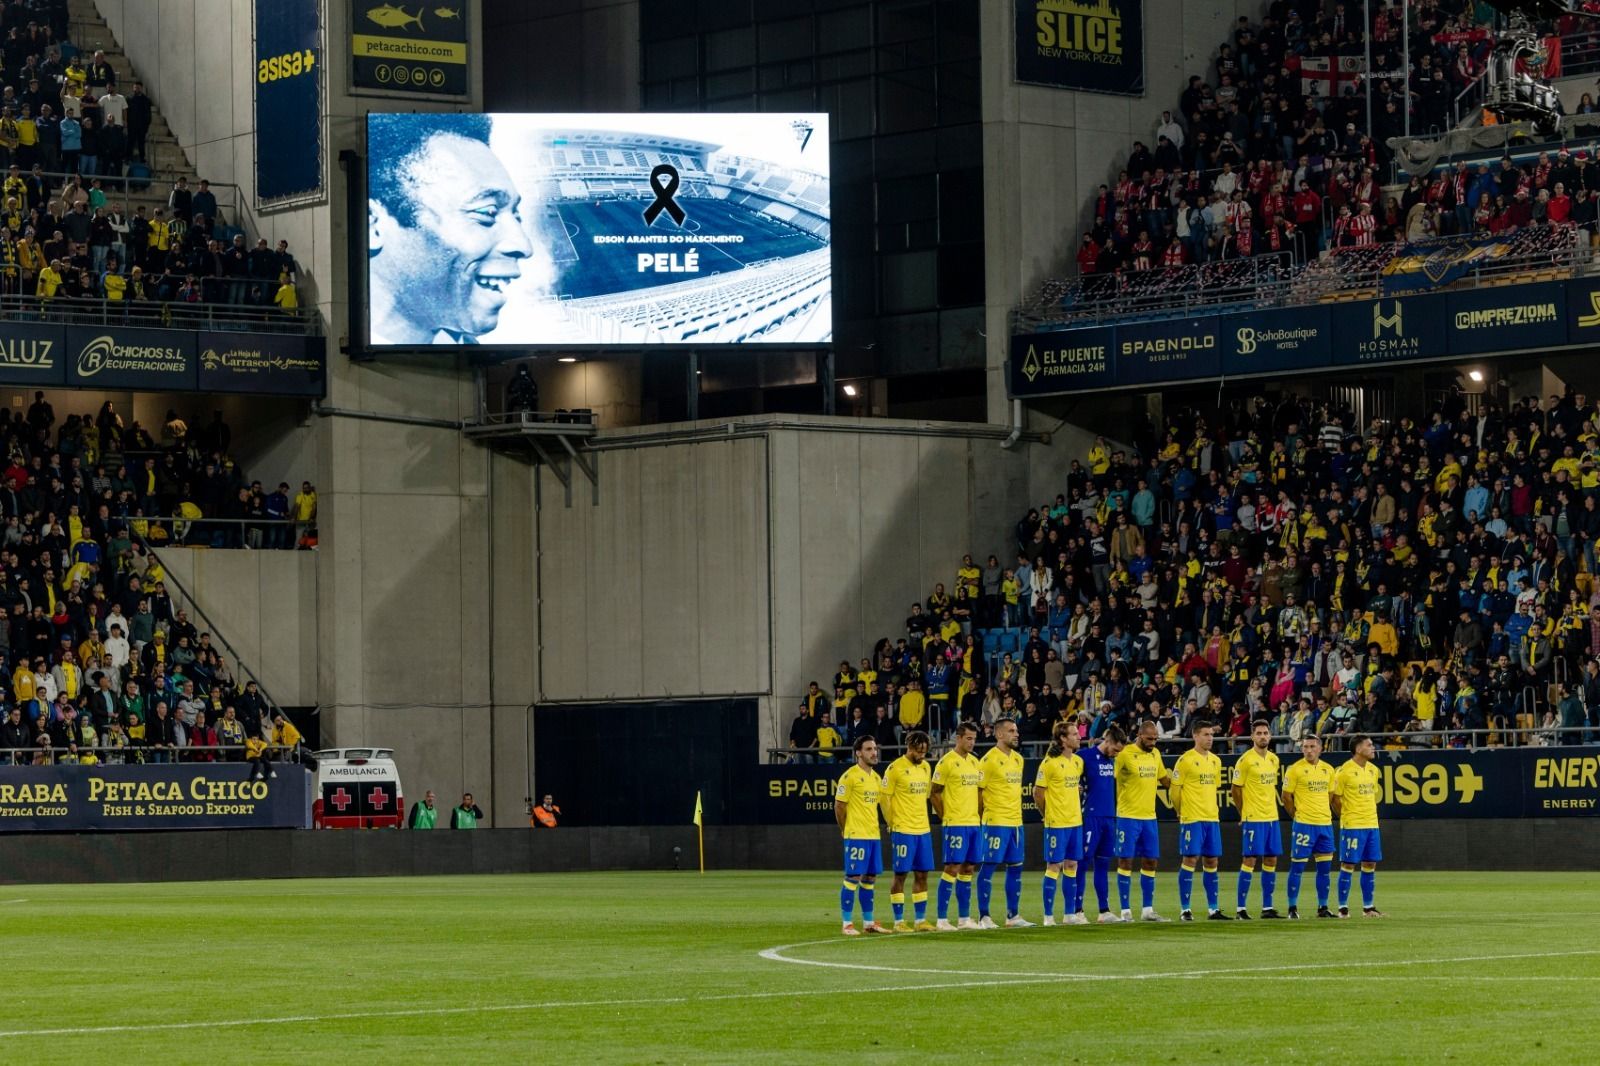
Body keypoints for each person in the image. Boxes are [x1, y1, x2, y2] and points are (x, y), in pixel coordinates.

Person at [367, 113, 532, 344]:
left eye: (517, 215)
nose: (524, 246)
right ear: (372, 224)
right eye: (487, 213)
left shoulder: (468, 353)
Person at [975, 717, 1032, 928]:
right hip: (996, 821)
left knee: (1016, 867)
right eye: (1011, 731)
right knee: (989, 867)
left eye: (1016, 730)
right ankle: (984, 917)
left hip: (1016, 822)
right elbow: (978, 793)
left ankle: (1013, 916)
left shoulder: (1019, 759)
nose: (1016, 734)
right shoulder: (988, 761)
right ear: (999, 734)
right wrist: (982, 818)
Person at [1171, 719, 1229, 921]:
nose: (1210, 738)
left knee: (1212, 860)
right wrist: (1181, 812)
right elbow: (1175, 791)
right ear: (1195, 736)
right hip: (1192, 818)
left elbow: (1214, 789)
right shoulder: (1185, 760)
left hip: (1211, 818)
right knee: (1190, 859)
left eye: (1211, 734)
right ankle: (1185, 909)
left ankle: (1213, 909)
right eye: (1205, 734)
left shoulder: (1216, 761)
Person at [1113, 718, 1171, 921]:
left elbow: (1165, 780)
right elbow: (1109, 778)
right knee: (1126, 860)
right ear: (1139, 736)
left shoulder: (1155, 754)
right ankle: (1125, 910)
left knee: (1150, 861)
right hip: (1128, 816)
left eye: (1155, 738)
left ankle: (1147, 910)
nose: (1153, 742)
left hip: (1149, 818)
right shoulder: (1124, 755)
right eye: (1149, 739)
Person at [1032, 719, 1085, 926]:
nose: (1078, 737)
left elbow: (1071, 787)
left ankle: (1070, 914)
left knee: (1072, 865)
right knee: (1054, 865)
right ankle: (1048, 916)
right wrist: (1047, 814)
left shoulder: (1077, 762)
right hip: (1057, 823)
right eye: (1073, 734)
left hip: (1075, 822)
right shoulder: (1049, 763)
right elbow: (1038, 793)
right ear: (1063, 738)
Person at [880, 729, 934, 932]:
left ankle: (920, 920)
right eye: (918, 751)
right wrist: (891, 822)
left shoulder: (926, 767)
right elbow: (884, 797)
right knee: (900, 874)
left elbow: (926, 796)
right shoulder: (895, 768)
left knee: (922, 874)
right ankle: (899, 921)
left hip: (923, 829)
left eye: (924, 752)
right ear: (909, 747)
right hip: (903, 829)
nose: (922, 755)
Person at [930, 720, 982, 930]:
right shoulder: (946, 762)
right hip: (955, 823)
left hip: (973, 823)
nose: (971, 742)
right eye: (968, 738)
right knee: (952, 867)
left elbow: (979, 791)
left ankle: (964, 918)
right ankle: (942, 919)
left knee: (968, 868)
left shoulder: (975, 762)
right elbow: (934, 792)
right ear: (958, 738)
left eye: (974, 739)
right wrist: (945, 816)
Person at [834, 734, 888, 935]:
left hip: (873, 835)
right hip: (856, 834)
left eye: (875, 749)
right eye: (868, 749)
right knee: (853, 877)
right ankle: (847, 923)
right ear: (858, 753)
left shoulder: (876, 777)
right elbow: (839, 806)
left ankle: (868, 922)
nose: (874, 753)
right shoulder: (850, 776)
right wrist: (845, 829)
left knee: (870, 878)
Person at [1231, 719, 1285, 919]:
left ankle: (1267, 907)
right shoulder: (1245, 760)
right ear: (1252, 736)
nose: (1263, 736)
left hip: (1272, 817)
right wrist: (1243, 813)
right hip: (1253, 817)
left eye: (1265, 733)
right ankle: (1241, 909)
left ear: (1270, 736)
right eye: (1259, 733)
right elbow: (1235, 790)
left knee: (1271, 859)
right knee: (1250, 860)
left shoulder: (1273, 759)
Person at [1281, 733, 1338, 919]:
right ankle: (1292, 908)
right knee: (1297, 867)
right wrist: (1296, 815)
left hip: (1325, 825)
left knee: (1324, 869)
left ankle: (1323, 907)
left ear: (1320, 748)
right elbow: (1286, 797)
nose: (1309, 750)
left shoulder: (1328, 770)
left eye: (1312, 746)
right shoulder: (1295, 769)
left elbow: (1330, 796)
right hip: (1304, 825)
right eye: (1305, 747)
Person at [1074, 723, 1126, 923]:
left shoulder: (1112, 760)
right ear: (1108, 741)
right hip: (1090, 817)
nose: (1115, 754)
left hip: (1109, 817)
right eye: (1115, 749)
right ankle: (1077, 910)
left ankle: (1104, 911)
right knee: (1083, 862)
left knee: (1103, 864)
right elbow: (1069, 779)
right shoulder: (1083, 756)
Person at [1331, 734, 1385, 918]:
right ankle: (1343, 908)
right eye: (1369, 745)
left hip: (1371, 824)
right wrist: (1346, 816)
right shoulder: (1344, 771)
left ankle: (1368, 907)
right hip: (1353, 825)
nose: (1373, 748)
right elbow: (1335, 798)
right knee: (1348, 864)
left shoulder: (1373, 771)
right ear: (1358, 749)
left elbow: (1371, 797)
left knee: (1370, 863)